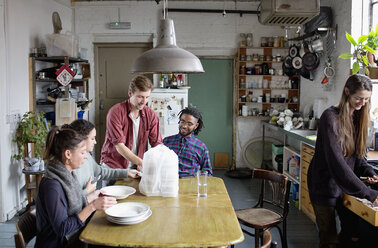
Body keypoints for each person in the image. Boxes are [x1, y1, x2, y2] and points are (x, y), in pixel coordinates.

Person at [307, 74, 378, 248]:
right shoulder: (330, 118)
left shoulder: (358, 117)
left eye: (367, 99)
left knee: (351, 234)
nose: (362, 103)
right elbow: (338, 163)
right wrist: (369, 194)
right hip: (324, 185)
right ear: (347, 92)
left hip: (345, 186)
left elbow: (357, 156)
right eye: (358, 98)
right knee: (329, 239)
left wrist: (367, 170)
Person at [35, 126, 117, 248]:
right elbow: (63, 229)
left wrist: (91, 198)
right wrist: (92, 206)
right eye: (82, 152)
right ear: (68, 154)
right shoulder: (52, 186)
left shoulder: (66, 174)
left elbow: (71, 205)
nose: (85, 156)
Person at [101, 75, 162, 169]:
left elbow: (157, 144)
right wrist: (142, 163)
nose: (144, 101)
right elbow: (119, 146)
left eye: (147, 97)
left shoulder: (151, 115)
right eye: (140, 97)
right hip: (114, 167)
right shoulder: (115, 112)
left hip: (136, 167)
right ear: (130, 93)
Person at [69, 119, 139, 196]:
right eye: (92, 138)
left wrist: (126, 172)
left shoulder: (87, 155)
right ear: (81, 139)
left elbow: (101, 172)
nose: (95, 142)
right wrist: (87, 191)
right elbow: (72, 201)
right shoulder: (72, 166)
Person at [163, 106, 212, 177]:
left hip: (190, 185)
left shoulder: (201, 147)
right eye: (182, 121)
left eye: (190, 124)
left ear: (196, 126)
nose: (184, 126)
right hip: (168, 182)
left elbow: (207, 172)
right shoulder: (166, 141)